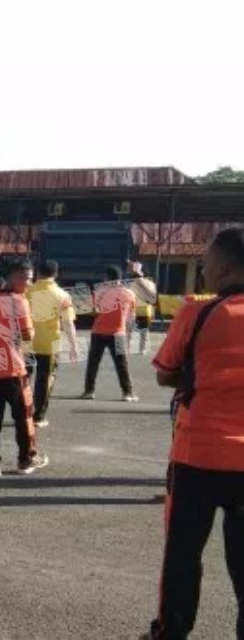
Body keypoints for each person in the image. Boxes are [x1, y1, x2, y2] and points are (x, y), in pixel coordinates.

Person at [146, 228, 244, 640]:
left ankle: (172, 632)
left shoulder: (197, 312)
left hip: (197, 456)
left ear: (222, 267)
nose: (201, 268)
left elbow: (166, 372)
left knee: (183, 556)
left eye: (204, 261)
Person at [0, 260, 48, 476]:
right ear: (11, 277)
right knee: (23, 416)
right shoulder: (19, 302)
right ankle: (25, 460)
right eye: (25, 277)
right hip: (13, 368)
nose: (29, 282)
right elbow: (27, 335)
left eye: (31, 277)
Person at [25, 260, 77, 429]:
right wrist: (74, 346)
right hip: (50, 343)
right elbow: (68, 323)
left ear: (37, 273)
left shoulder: (26, 292)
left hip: (27, 342)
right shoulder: (62, 295)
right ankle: (38, 417)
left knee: (24, 379)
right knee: (45, 380)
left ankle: (22, 414)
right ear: (55, 274)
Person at [82, 265, 138, 401]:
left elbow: (93, 310)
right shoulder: (130, 294)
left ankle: (89, 391)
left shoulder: (99, 291)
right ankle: (127, 393)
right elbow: (131, 317)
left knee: (93, 363)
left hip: (98, 331)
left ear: (106, 277)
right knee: (122, 363)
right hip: (119, 332)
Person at [130, 260, 158, 355]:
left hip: (134, 310)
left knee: (130, 329)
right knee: (144, 330)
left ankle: (128, 347)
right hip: (146, 310)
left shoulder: (133, 283)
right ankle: (142, 349)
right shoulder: (151, 283)